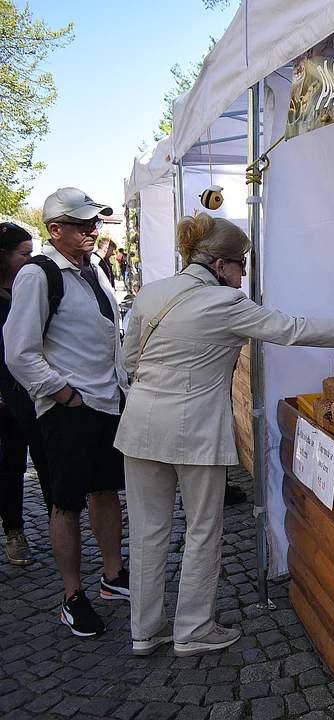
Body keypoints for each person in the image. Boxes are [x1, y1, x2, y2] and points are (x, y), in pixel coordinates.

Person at [116, 212, 334, 658]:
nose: (244, 273)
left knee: (148, 533)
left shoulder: (151, 294)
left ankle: (144, 632)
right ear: (218, 264)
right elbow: (292, 329)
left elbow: (128, 361)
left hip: (139, 426)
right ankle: (192, 630)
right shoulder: (223, 303)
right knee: (202, 530)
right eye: (240, 264)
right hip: (194, 432)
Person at [4, 188, 129, 638]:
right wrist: (62, 394)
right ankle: (72, 596)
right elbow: (19, 351)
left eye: (94, 223)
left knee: (106, 490)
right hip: (69, 408)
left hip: (106, 400)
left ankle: (113, 577)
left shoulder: (93, 266)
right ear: (54, 230)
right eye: (81, 225)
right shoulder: (38, 275)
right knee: (65, 503)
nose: (92, 230)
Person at [0, 222, 53, 566]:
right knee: (11, 467)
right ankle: (14, 531)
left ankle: (59, 523)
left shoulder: (32, 287)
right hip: (5, 399)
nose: (30, 259)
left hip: (36, 392)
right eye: (24, 253)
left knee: (49, 463)